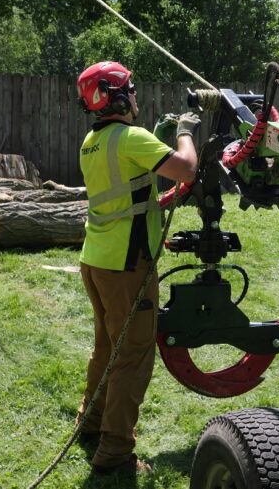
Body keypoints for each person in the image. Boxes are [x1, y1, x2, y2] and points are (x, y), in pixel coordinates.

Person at [74, 60, 199, 476]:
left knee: (107, 348)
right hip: (128, 268)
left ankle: (89, 423)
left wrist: (159, 142)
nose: (136, 97)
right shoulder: (131, 137)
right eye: (131, 89)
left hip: (96, 260)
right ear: (119, 96)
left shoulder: (92, 141)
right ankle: (115, 452)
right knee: (133, 357)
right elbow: (186, 171)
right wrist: (184, 133)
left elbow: (130, 188)